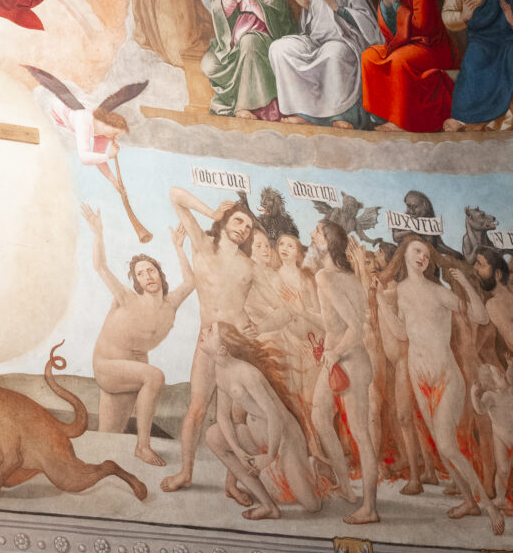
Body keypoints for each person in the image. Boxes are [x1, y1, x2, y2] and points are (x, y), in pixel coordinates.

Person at [378, 237, 504, 533]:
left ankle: (487, 507)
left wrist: (468, 286)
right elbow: (401, 332)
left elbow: (480, 316)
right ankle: (468, 501)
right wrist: (382, 304)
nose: (422, 256)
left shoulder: (439, 292)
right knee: (443, 446)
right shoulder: (402, 292)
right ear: (404, 256)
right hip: (419, 375)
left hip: (446, 376)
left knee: (447, 445)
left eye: (425, 252)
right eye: (416, 251)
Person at [160, 187, 268, 495]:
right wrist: (211, 213)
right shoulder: (203, 247)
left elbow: (273, 306)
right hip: (208, 340)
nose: (243, 228)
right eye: (238, 221)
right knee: (196, 409)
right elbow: (175, 196)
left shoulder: (249, 267)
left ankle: (234, 483)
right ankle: (186, 472)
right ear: (224, 222)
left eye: (247, 226)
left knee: (235, 416)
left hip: (236, 346)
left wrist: (256, 326)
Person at [79, 204, 193, 466]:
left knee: (108, 440)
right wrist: (98, 233)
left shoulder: (170, 305)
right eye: (140, 274)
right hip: (108, 366)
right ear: (136, 282)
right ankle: (143, 446)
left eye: (150, 270)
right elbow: (100, 267)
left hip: (131, 372)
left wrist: (178, 247)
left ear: (160, 275)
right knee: (155, 376)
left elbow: (191, 282)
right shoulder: (126, 299)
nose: (146, 276)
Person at [203, 323, 322, 519]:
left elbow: (274, 415)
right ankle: (269, 506)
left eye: (210, 332)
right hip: (255, 431)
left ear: (222, 349)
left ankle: (313, 465)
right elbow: (222, 416)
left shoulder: (247, 373)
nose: (204, 332)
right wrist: (239, 451)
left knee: (312, 505)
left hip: (283, 436)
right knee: (213, 435)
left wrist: (269, 456)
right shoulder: (220, 369)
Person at [310, 220, 379, 524]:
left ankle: (370, 508)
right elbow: (335, 322)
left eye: (317, 232)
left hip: (349, 360)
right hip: (338, 360)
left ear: (327, 243)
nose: (312, 235)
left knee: (361, 434)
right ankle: (348, 489)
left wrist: (335, 352)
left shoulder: (325, 276)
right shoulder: (348, 277)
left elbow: (354, 326)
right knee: (319, 415)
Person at [361, 0, 455, 132]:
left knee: (398, 60)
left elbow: (423, 26)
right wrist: (386, 5)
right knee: (369, 55)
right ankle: (381, 116)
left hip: (429, 47)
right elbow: (388, 31)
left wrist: (394, 4)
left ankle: (399, 120)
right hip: (401, 44)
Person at [441, 0, 513, 128]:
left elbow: (510, 9)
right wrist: (463, 16)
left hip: (505, 38)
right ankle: (465, 117)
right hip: (480, 40)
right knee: (473, 62)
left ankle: (505, 117)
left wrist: (511, 20)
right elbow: (447, 15)